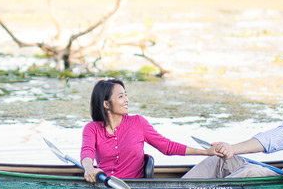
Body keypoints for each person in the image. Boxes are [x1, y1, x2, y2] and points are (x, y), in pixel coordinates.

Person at [81, 78, 216, 182]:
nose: (127, 100)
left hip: (135, 188)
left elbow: (167, 147)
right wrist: (89, 168)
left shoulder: (138, 122)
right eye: (121, 97)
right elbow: (87, 152)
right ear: (106, 104)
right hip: (104, 184)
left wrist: (205, 152)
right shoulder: (92, 128)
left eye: (125, 95)